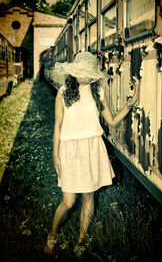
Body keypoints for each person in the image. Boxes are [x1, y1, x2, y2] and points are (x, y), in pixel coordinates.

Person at [44, 51, 139, 255]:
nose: (83, 76)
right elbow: (58, 126)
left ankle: (81, 240)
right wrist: (55, 155)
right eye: (80, 72)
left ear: (93, 74)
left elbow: (112, 121)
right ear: (74, 71)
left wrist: (130, 104)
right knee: (68, 201)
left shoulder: (99, 93)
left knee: (88, 196)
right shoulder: (63, 93)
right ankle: (52, 234)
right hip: (69, 150)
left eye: (88, 73)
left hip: (92, 148)